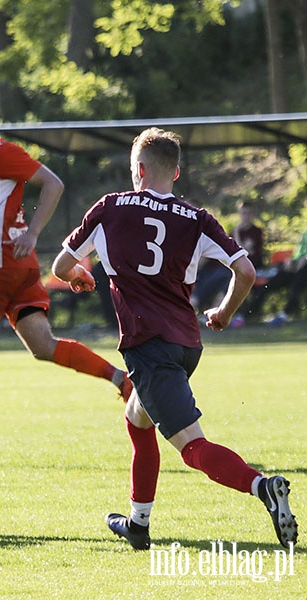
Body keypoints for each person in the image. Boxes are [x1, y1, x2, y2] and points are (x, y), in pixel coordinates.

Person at [52, 127, 298, 549]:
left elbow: (61, 265)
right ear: (177, 172)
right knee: (137, 417)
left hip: (149, 345)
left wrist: (77, 277)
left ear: (139, 170)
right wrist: (223, 312)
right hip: (186, 343)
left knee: (191, 446)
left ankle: (262, 486)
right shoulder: (197, 218)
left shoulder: (111, 207)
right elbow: (247, 272)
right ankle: (138, 524)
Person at [0, 82, 131, 462]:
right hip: (20, 269)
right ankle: (121, 379)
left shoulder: (0, 153)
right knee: (43, 347)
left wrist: (33, 233)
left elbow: (53, 183)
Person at [190, 200, 263, 315]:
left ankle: (215, 308)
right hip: (227, 267)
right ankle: (199, 303)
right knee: (211, 275)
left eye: (248, 213)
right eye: (243, 213)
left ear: (253, 214)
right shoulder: (234, 230)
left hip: (248, 267)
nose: (246, 217)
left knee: (226, 276)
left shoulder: (256, 232)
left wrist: (238, 233)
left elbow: (241, 253)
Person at [244, 229, 307, 324]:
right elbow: (299, 253)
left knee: (297, 285)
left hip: (304, 270)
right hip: (295, 268)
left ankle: (284, 314)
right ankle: (248, 314)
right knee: (268, 285)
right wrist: (290, 260)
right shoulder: (305, 233)